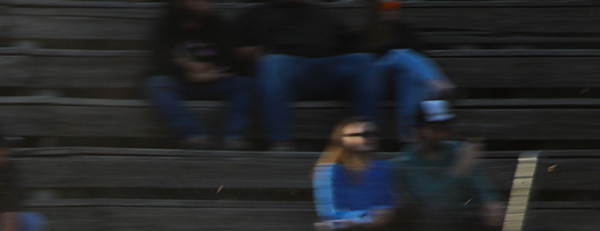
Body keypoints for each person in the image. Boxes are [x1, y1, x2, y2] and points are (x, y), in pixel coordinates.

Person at [391, 99, 500, 231]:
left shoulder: (457, 150)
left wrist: (490, 202)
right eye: (435, 129)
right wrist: (459, 168)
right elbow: (429, 197)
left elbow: (481, 187)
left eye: (445, 128)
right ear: (418, 130)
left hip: (461, 225)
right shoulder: (405, 161)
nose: (443, 135)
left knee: (507, 227)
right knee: (435, 211)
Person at [235, 0, 376, 150]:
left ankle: (365, 141)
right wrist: (245, 54)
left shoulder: (322, 13)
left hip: (328, 69)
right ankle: (280, 141)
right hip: (287, 71)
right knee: (272, 63)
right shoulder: (256, 14)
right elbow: (234, 48)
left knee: (362, 60)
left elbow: (349, 45)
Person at [144, 0, 255, 148]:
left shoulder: (218, 24)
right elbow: (160, 60)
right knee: (155, 84)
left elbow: (230, 56)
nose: (204, 4)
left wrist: (204, 68)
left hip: (215, 80)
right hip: (182, 82)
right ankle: (194, 136)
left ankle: (234, 137)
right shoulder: (165, 25)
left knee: (245, 85)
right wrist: (187, 74)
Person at [361, 0, 453, 143]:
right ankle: (437, 82)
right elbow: (365, 58)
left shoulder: (404, 30)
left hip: (399, 80)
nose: (391, 13)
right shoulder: (365, 33)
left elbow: (418, 51)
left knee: (407, 77)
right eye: (386, 10)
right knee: (400, 54)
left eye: (394, 9)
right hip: (377, 77)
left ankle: (408, 134)